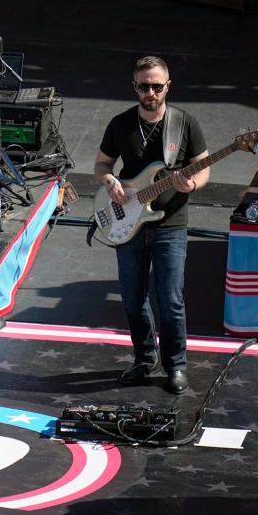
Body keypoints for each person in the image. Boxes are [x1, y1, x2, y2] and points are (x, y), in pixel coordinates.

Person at [94, 56, 209, 394]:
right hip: (130, 223)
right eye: (144, 86)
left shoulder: (185, 124)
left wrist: (193, 184)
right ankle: (145, 359)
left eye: (156, 86)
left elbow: (202, 168)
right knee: (132, 299)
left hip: (170, 224)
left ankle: (176, 366)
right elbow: (101, 164)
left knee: (170, 299)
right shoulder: (120, 124)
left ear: (167, 87)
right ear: (135, 87)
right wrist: (109, 181)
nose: (150, 92)